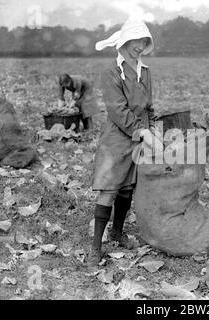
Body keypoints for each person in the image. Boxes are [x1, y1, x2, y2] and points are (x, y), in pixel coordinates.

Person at [89, 19, 161, 266]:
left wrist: (152, 129)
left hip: (140, 138)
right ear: (124, 42)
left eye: (143, 42)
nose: (139, 46)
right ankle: (95, 248)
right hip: (117, 138)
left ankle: (117, 233)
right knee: (109, 189)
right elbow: (117, 110)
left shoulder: (146, 71)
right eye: (135, 41)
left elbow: (149, 107)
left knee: (128, 189)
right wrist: (143, 132)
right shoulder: (111, 72)